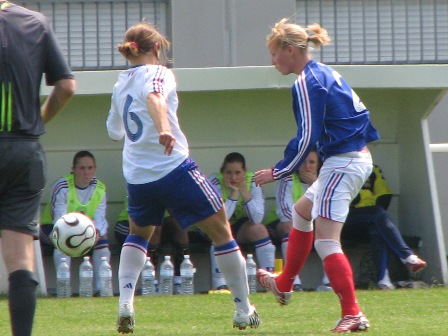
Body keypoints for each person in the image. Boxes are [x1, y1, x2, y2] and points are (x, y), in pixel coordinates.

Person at [106, 21, 260, 334]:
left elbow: (113, 131)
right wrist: (163, 128)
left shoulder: (120, 84)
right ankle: (244, 309)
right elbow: (155, 98)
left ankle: (125, 303)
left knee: (139, 235)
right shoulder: (158, 72)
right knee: (222, 231)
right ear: (157, 49)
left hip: (138, 176)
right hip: (172, 169)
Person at [254, 18, 380, 333]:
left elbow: (307, 135)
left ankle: (352, 313)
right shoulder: (322, 72)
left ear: (291, 50)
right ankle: (284, 284)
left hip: (344, 161)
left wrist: (278, 170)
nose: (272, 62)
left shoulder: (307, 81)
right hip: (349, 157)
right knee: (301, 212)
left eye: (274, 54)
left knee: (326, 242)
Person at [0, 1, 76, 335]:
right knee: (19, 260)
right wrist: (38, 120)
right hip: (23, 149)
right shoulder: (35, 22)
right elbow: (66, 86)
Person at [342, 164, 427, 289]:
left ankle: (384, 280)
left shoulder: (372, 169)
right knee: (376, 213)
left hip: (366, 220)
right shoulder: (337, 166)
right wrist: (367, 202)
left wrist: (364, 205)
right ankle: (406, 255)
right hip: (341, 221)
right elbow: (350, 199)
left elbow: (384, 196)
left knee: (376, 226)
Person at [40, 151, 111, 296]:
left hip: (85, 230)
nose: (86, 172)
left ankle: (101, 288)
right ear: (73, 169)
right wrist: (80, 233)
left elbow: (100, 218)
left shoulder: (100, 189)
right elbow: (58, 218)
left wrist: (96, 232)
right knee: (62, 242)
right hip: (53, 228)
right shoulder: (62, 186)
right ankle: (64, 288)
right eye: (82, 168)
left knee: (103, 243)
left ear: (95, 169)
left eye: (90, 168)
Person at [265, 148, 332, 292]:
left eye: (312, 162)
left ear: (318, 164)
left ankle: (328, 282)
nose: (307, 166)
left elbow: (328, 209)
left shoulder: (323, 181)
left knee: (328, 228)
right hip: (281, 224)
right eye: (303, 162)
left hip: (311, 224)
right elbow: (284, 211)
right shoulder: (288, 178)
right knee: (290, 226)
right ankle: (293, 281)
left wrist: (314, 185)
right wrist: (307, 221)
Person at [208, 152, 275, 291]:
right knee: (219, 232)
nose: (233, 177)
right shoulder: (214, 182)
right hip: (214, 226)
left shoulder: (253, 181)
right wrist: (233, 194)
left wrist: (245, 195)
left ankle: (269, 281)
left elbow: (257, 219)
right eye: (228, 173)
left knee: (260, 230)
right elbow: (221, 219)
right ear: (222, 172)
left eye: (238, 172)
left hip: (238, 226)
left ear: (245, 172)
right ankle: (220, 284)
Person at [114, 198, 190, 294]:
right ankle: (150, 280)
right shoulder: (143, 184)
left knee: (180, 225)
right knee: (154, 225)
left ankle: (179, 280)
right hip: (130, 225)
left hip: (159, 228)